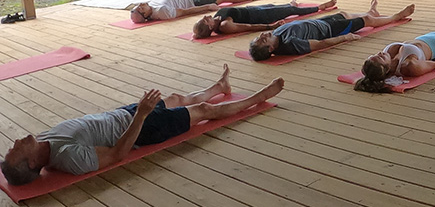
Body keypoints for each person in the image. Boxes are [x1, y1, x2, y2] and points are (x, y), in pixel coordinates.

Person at [1, 65, 283, 185]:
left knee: (174, 98)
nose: (15, 142)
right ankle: (259, 98)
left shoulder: (43, 139)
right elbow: (116, 155)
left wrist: (138, 110)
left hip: (125, 113)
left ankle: (219, 86)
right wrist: (142, 115)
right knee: (202, 111)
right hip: (144, 127)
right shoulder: (68, 158)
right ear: (31, 162)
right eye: (16, 150)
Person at [248, 0, 415, 61]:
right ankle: (395, 17)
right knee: (366, 21)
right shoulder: (291, 45)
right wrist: (344, 38)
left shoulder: (275, 35)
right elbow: (320, 44)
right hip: (329, 30)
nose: (263, 35)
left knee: (344, 14)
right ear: (270, 48)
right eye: (263, 39)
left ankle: (371, 12)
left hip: (319, 23)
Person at [192, 0, 337, 39]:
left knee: (275, 5)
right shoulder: (224, 25)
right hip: (260, 17)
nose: (206, 16)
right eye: (206, 20)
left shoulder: (216, 18)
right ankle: (320, 7)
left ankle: (289, 4)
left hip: (252, 10)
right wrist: (271, 27)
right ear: (210, 27)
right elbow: (248, 27)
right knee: (291, 11)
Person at [130, 0, 273, 24]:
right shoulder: (162, 13)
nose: (142, 4)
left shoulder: (152, 6)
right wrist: (207, 7)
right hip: (193, 2)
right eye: (141, 7)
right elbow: (184, 12)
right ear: (145, 14)